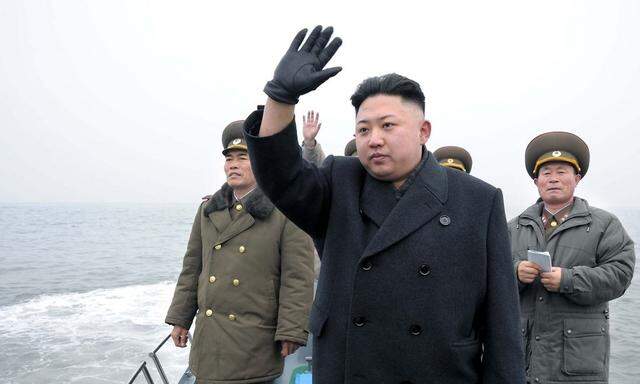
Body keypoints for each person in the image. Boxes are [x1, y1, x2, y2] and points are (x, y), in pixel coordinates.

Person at [243, 25, 525, 383]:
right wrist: (280, 97)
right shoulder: (338, 182)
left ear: (424, 131)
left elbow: (502, 324)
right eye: (363, 129)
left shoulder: (479, 200)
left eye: (388, 125)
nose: (374, 139)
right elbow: (280, 176)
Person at [165, 120, 315, 384]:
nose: (233, 164)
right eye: (229, 158)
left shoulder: (285, 210)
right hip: (209, 340)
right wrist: (181, 319)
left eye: (242, 157)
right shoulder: (208, 210)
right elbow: (192, 269)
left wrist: (291, 330)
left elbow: (297, 277)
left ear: (261, 162)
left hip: (254, 341)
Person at [509, 131, 635, 384]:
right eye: (546, 173)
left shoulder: (604, 224)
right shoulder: (513, 227)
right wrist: (515, 274)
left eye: (562, 171)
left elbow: (621, 274)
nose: (553, 179)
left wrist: (568, 279)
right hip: (522, 360)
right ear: (536, 181)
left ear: (577, 178)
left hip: (578, 363)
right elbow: (488, 277)